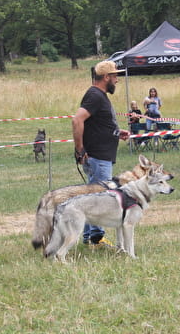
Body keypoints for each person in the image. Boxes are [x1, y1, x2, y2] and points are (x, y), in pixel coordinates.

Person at [72, 60, 130, 246]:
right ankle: (97, 237)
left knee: (92, 197)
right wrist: (80, 149)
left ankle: (90, 237)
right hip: (98, 157)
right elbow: (77, 120)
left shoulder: (99, 95)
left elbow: (97, 125)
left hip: (101, 156)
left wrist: (116, 133)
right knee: (102, 198)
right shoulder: (95, 95)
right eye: (114, 76)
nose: (117, 80)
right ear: (106, 77)